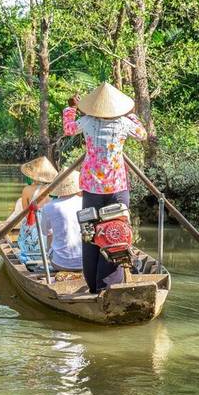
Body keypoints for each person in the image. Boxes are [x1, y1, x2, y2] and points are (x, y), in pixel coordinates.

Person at [62, 82, 147, 293]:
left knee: (90, 234)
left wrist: (71, 108)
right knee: (115, 234)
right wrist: (132, 115)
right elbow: (142, 134)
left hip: (92, 188)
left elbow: (68, 129)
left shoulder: (87, 122)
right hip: (117, 188)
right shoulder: (124, 123)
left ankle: (93, 284)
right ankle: (108, 286)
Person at [11, 156, 58, 265]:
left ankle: (30, 255)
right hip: (51, 225)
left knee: (27, 228)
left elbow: (25, 213)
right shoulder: (55, 190)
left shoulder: (27, 189)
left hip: (34, 224)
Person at [39, 170, 84, 272]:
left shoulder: (49, 206)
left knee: (50, 235)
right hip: (86, 262)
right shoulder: (85, 202)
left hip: (60, 263)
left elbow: (45, 232)